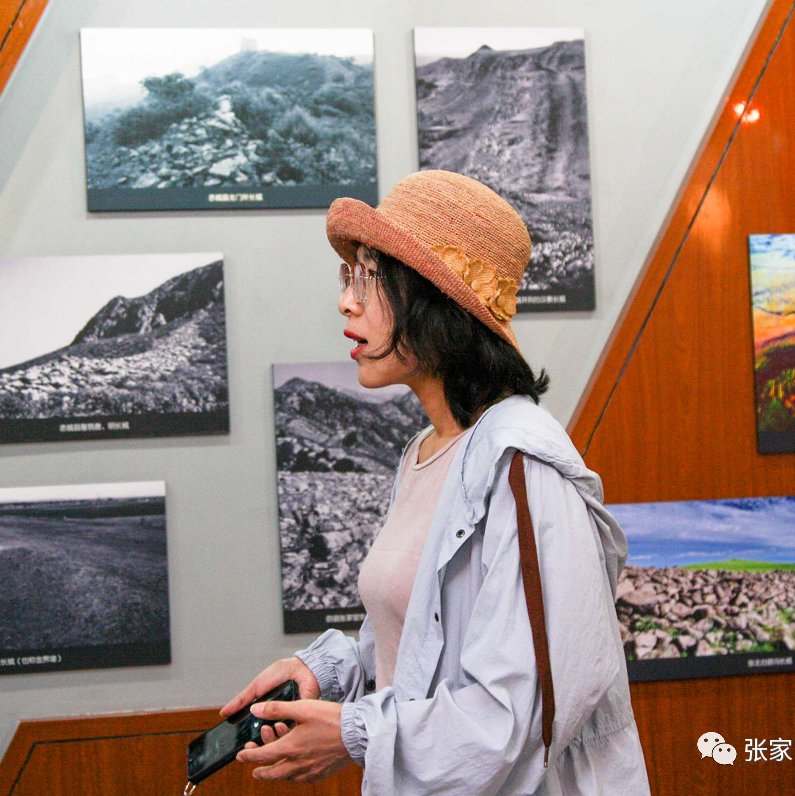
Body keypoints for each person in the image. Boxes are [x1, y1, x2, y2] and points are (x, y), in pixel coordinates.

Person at [222, 170, 651, 795]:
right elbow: (420, 641)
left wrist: (357, 734)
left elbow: (514, 717)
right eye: (350, 276)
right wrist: (328, 673)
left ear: (434, 303)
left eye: (370, 278)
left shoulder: (521, 466)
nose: (347, 302)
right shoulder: (426, 452)